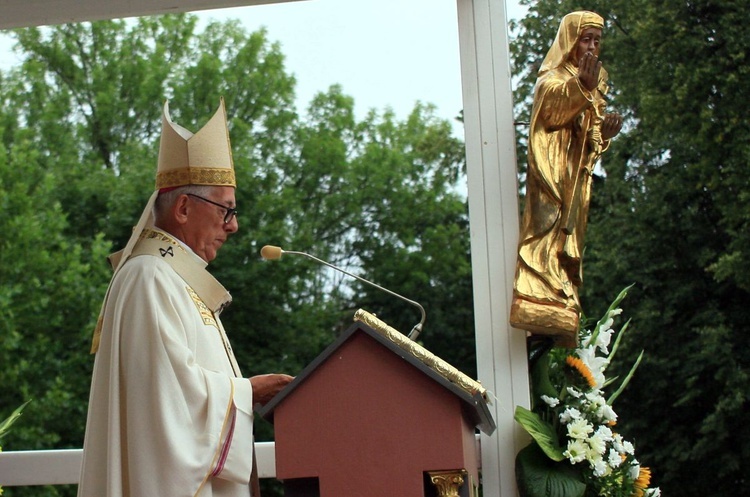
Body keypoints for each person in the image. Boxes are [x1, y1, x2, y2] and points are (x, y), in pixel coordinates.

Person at [78, 98, 293, 497]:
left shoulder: (175, 278)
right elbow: (166, 405)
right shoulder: (149, 278)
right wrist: (250, 392)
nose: (234, 226)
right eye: (226, 210)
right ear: (181, 207)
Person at [510, 11, 623, 346]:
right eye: (584, 39)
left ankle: (561, 290)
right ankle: (538, 292)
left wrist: (606, 134)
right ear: (570, 41)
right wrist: (581, 87)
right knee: (546, 228)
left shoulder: (595, 81)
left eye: (596, 41)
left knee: (568, 242)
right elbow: (553, 112)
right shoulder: (552, 79)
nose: (591, 47)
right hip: (552, 175)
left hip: (576, 178)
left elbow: (591, 142)